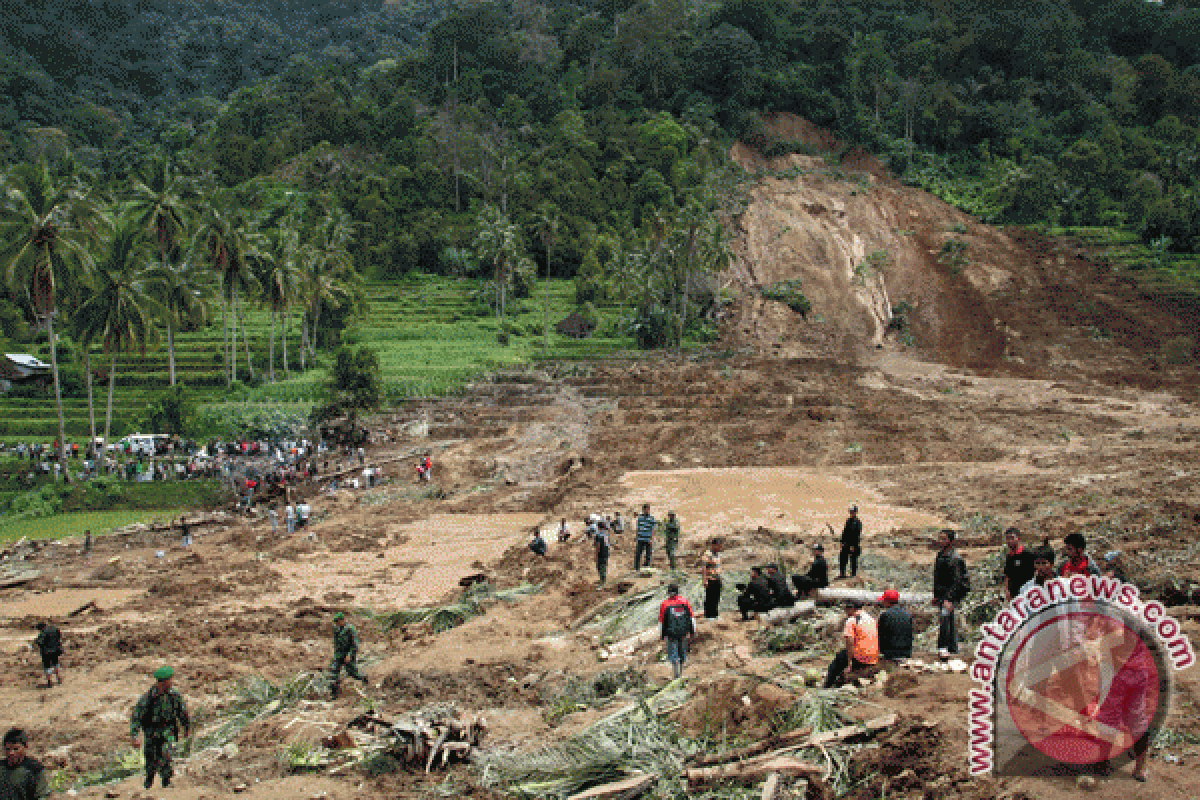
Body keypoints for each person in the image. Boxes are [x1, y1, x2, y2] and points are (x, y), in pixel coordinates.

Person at [131, 666, 190, 789]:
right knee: (151, 758)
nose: (171, 682)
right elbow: (136, 717)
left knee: (167, 755)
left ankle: (166, 781)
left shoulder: (174, 695)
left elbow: (182, 712)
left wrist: (186, 728)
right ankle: (149, 781)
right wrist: (135, 736)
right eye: (169, 680)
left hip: (168, 730)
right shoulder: (148, 698)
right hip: (152, 732)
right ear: (162, 682)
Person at [824, 599, 880, 687]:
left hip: (860, 656)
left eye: (846, 609)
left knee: (834, 665)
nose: (846, 611)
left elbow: (849, 642)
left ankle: (827, 686)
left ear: (852, 608)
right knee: (842, 655)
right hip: (873, 656)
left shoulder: (852, 620)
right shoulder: (872, 619)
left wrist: (850, 662)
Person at [933, 529, 970, 658]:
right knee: (948, 619)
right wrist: (936, 596)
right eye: (940, 538)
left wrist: (949, 599)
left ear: (951, 541)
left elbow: (957, 581)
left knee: (946, 619)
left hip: (950, 595)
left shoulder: (955, 558)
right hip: (942, 595)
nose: (941, 541)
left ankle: (944, 647)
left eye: (944, 539)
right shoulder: (940, 555)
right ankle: (952, 648)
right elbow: (937, 577)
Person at [659, 583, 696, 678]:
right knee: (682, 651)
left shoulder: (665, 604)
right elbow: (691, 618)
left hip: (671, 633)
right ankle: (682, 672)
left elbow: (662, 621)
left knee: (673, 652)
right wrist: (692, 631)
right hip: (684, 631)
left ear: (668, 592)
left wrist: (662, 635)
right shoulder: (685, 601)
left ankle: (676, 675)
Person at [329, 613, 368, 699]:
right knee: (333, 673)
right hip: (339, 655)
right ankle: (334, 694)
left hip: (348, 654)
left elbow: (355, 644)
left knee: (352, 673)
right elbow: (336, 643)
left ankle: (364, 678)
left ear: (343, 620)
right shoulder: (337, 629)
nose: (337, 623)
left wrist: (350, 655)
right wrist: (336, 655)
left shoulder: (350, 629)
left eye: (339, 621)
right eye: (336, 622)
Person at [1, 728, 47, 800]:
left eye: (16, 749)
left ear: (25, 747)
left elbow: (42, 796)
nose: (11, 753)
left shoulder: (34, 769)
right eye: (7, 749)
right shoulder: (1, 767)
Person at [876, 589, 913, 661]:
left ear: (887, 601)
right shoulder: (908, 614)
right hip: (906, 653)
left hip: (889, 654)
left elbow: (880, 635)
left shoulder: (885, 615)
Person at [1002, 527, 1036, 602]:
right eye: (1007, 538)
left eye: (1012, 538)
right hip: (1015, 596)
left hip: (1029, 594)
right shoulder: (1009, 557)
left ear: (1018, 538)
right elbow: (1007, 576)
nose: (1010, 541)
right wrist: (1007, 591)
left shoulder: (1027, 554)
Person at [33, 622, 63, 688]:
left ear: (41, 628)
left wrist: (37, 643)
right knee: (56, 664)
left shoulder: (43, 633)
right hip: (56, 650)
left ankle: (50, 682)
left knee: (47, 667)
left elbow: (40, 642)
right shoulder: (54, 629)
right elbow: (60, 635)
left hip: (46, 652)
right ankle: (59, 679)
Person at [839, 505, 862, 578]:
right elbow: (845, 532)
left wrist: (853, 545)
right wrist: (842, 542)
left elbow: (856, 535)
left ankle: (853, 574)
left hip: (854, 544)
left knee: (853, 560)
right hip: (846, 544)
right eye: (850, 512)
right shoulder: (848, 521)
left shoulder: (858, 522)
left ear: (855, 513)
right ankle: (842, 573)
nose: (851, 513)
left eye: (852, 512)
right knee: (843, 558)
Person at [701, 539, 723, 619]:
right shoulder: (707, 554)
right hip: (710, 578)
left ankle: (715, 614)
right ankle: (709, 615)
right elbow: (704, 568)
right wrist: (705, 580)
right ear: (713, 545)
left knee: (716, 597)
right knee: (710, 598)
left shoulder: (718, 555)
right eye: (718, 545)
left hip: (717, 578)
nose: (719, 547)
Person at [634, 503, 657, 570]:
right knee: (638, 554)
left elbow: (653, 529)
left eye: (647, 509)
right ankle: (636, 568)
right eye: (644, 509)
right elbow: (638, 528)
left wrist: (651, 539)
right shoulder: (640, 518)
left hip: (648, 539)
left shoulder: (652, 518)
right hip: (640, 538)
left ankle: (647, 568)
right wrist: (636, 537)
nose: (646, 511)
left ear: (649, 509)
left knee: (648, 555)